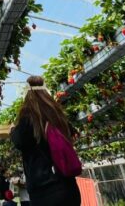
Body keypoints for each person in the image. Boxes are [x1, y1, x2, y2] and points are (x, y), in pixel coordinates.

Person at [10, 76, 81, 206]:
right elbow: (73, 135)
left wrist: (13, 130)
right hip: (69, 188)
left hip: (45, 192)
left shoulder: (29, 117)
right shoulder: (58, 115)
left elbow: (19, 141)